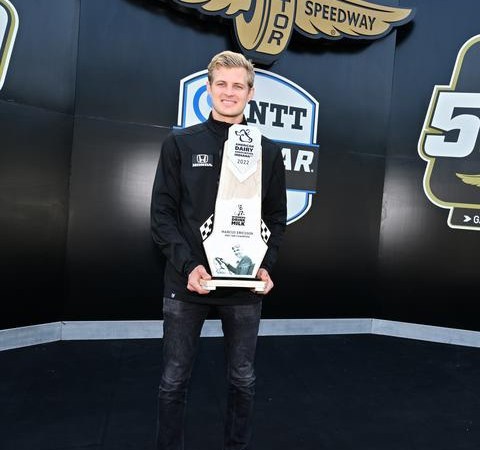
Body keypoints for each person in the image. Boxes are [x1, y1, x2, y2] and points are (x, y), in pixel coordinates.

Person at [150, 50, 287, 450]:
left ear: (250, 92)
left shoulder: (268, 151)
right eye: (222, 84)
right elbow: (161, 216)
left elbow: (276, 218)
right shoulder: (179, 144)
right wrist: (188, 265)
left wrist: (265, 264)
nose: (230, 92)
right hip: (187, 282)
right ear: (208, 89)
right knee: (173, 378)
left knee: (242, 378)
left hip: (243, 286)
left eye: (238, 86)